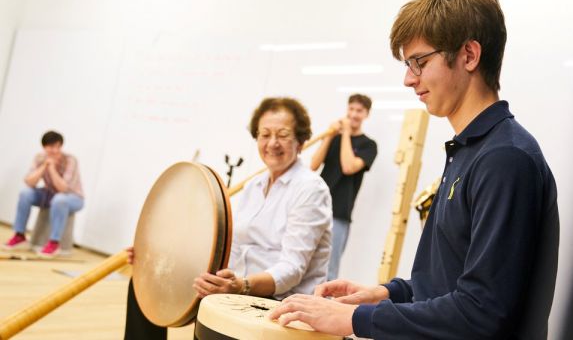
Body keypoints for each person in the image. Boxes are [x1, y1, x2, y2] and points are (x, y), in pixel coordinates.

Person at [270, 0, 560, 339]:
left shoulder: (505, 159)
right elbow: (442, 283)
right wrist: (387, 293)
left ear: (469, 55)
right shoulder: (467, 150)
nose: (409, 79)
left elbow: (481, 313)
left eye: (419, 62)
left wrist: (356, 320)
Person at [124, 97, 332, 339]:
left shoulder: (311, 189)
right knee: (146, 285)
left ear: (301, 140)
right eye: (264, 134)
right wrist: (155, 255)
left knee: (214, 304)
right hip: (239, 290)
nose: (272, 143)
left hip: (278, 300)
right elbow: (227, 245)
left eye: (283, 134)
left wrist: (241, 285)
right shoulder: (253, 185)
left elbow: (292, 269)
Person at [310, 94, 377, 280]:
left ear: (366, 114)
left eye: (359, 111)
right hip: (316, 207)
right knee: (305, 259)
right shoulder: (334, 138)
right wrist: (329, 136)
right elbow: (314, 165)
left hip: (339, 213)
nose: (354, 114)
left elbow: (349, 167)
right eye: (351, 109)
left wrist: (346, 133)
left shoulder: (369, 145)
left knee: (329, 269)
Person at [3, 130, 84, 257]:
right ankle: (19, 235)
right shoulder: (39, 158)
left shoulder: (70, 160)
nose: (55, 150)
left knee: (60, 199)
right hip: (49, 195)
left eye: (58, 146)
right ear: (44, 147)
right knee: (25, 193)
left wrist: (51, 168)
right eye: (51, 147)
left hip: (73, 198)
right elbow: (29, 182)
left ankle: (54, 242)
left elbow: (63, 188)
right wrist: (44, 166)